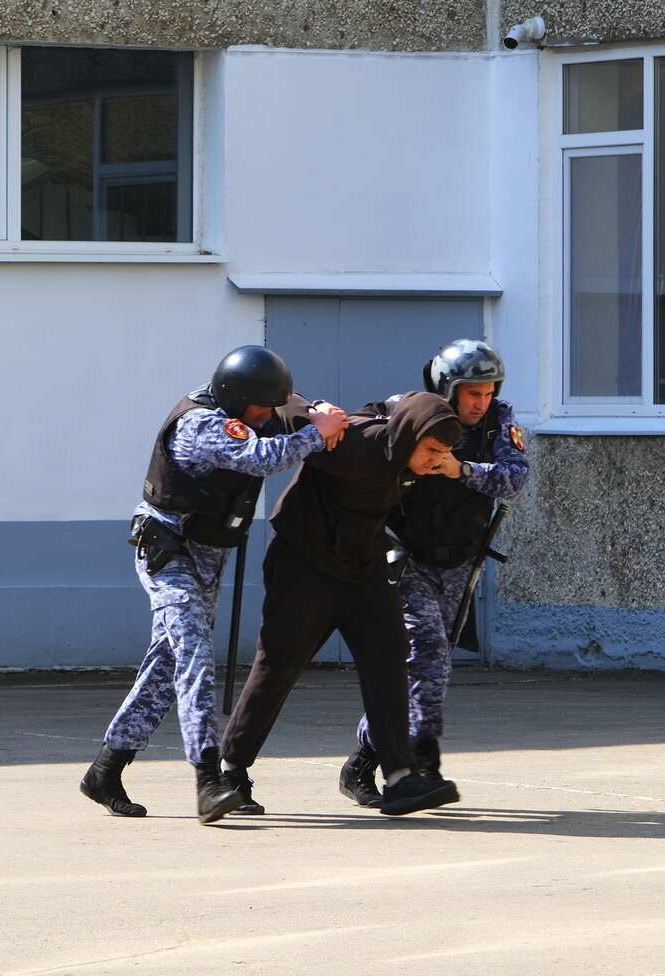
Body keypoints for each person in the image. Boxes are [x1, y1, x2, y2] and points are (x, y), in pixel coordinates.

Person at [79, 346, 348, 825]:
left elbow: (285, 410)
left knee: (167, 665)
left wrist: (316, 410)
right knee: (195, 655)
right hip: (169, 552)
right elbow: (264, 455)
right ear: (238, 397)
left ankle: (105, 770)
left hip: (207, 554)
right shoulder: (201, 424)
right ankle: (208, 779)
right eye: (261, 408)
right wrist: (316, 432)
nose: (267, 416)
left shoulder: (245, 404)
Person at [218, 391, 466, 817]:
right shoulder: (354, 445)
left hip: (363, 567)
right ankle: (230, 772)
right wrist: (314, 412)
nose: (436, 462)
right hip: (304, 563)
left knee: (390, 659)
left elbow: (393, 405)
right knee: (279, 664)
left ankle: (401, 779)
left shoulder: (408, 451)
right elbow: (285, 406)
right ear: (409, 438)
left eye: (444, 453)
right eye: (431, 451)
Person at [339, 340, 529, 807]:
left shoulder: (501, 420)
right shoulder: (410, 411)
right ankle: (422, 762)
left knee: (425, 666)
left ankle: (363, 759)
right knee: (428, 655)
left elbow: (515, 479)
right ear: (448, 388)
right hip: (407, 558)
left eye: (487, 393)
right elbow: (361, 442)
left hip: (459, 561)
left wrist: (458, 468)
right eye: (472, 394)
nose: (480, 403)